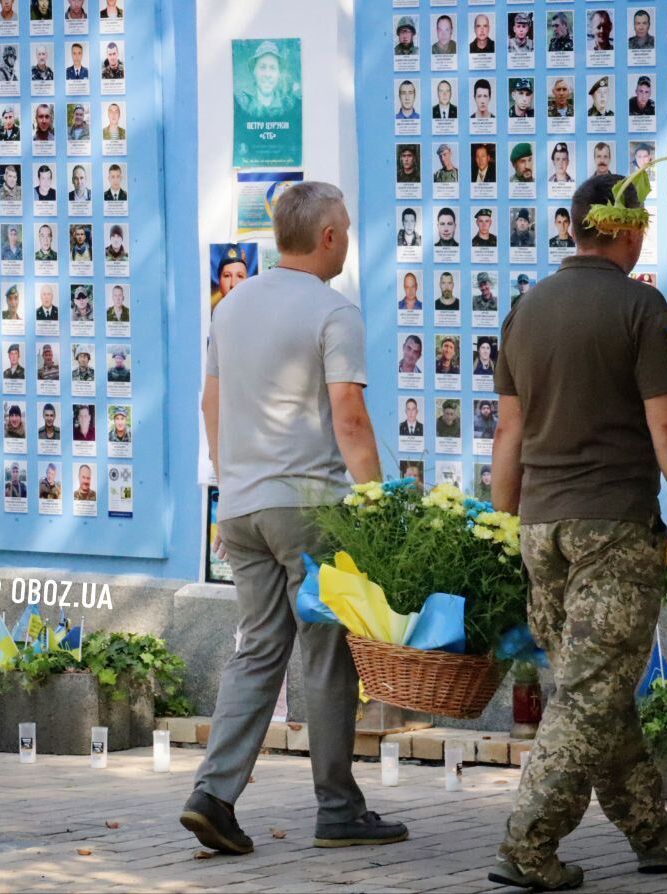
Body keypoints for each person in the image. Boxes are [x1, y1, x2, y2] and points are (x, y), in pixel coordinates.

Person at [488, 174, 667, 890]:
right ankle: (528, 847)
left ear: (574, 229)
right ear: (628, 230)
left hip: (541, 528)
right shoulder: (640, 306)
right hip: (612, 528)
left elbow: (508, 433)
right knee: (588, 697)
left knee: (594, 690)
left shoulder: (525, 310)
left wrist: (503, 521)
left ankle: (652, 832)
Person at [185, 182, 406, 854]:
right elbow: (349, 417)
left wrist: (232, 490)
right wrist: (376, 507)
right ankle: (337, 808)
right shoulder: (334, 312)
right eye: (344, 224)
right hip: (309, 507)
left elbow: (209, 406)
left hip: (243, 507)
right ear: (329, 237)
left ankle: (213, 796)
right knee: (327, 655)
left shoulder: (233, 306)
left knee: (257, 650)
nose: (347, 234)